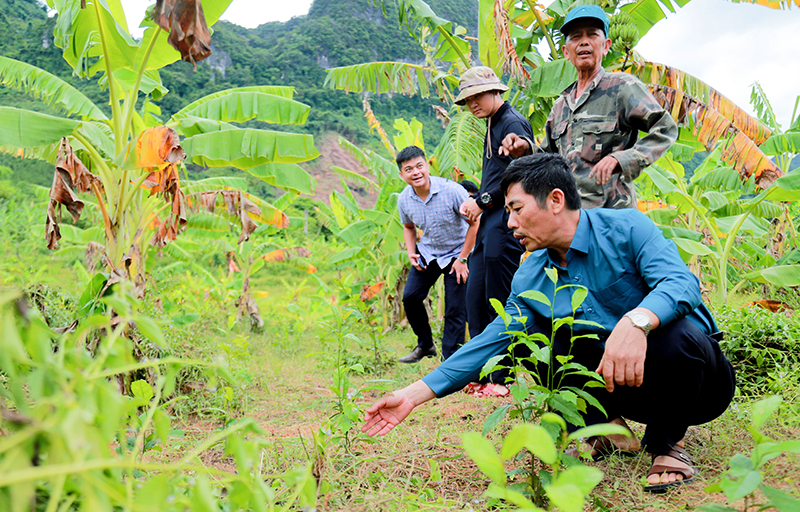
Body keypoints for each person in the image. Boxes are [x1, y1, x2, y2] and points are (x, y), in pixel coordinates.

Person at [363, 153, 735, 493]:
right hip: (619, 384)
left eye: (516, 209)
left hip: (697, 383)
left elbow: (681, 282)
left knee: (678, 334)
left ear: (555, 200)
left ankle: (668, 444)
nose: (509, 223)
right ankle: (605, 428)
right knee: (532, 340)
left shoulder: (627, 228)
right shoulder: (530, 276)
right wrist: (412, 395)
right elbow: (493, 339)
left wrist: (637, 322)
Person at [501, 5, 678, 209]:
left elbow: (666, 128)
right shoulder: (560, 105)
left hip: (611, 215)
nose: (584, 41)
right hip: (570, 218)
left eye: (592, 34)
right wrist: (526, 149)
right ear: (566, 52)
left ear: (606, 46)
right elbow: (549, 160)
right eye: (576, 36)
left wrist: (622, 159)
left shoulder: (622, 87)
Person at [454, 67, 534, 382]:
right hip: (488, 224)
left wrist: (482, 202)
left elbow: (519, 175)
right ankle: (481, 374)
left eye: (477, 96)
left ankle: (503, 378)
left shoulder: (511, 122)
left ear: (495, 91)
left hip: (504, 222)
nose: (473, 103)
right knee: (476, 300)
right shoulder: (491, 122)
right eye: (468, 99)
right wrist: (478, 204)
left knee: (499, 303)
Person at [395, 146, 479, 363]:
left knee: (454, 309)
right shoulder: (404, 199)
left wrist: (462, 259)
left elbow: (475, 222)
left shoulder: (451, 191)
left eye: (419, 166)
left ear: (427, 166)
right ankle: (425, 345)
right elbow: (408, 227)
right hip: (429, 253)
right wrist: (411, 252)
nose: (416, 172)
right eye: (409, 169)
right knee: (411, 298)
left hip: (457, 254)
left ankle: (450, 362)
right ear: (402, 175)